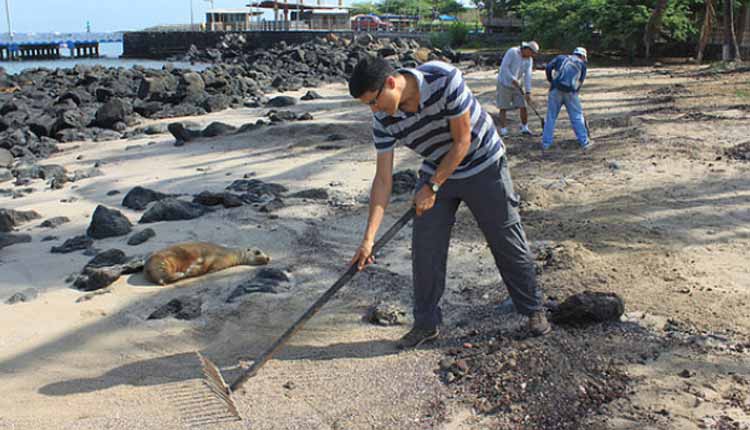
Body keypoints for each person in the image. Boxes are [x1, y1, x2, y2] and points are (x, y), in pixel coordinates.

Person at [347, 56, 550, 350]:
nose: (374, 109)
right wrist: (368, 240)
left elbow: (462, 141)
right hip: (437, 166)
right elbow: (382, 180)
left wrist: (431, 186)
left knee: (505, 237)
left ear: (391, 83)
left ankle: (532, 310)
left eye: (374, 102)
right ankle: (426, 324)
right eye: (369, 105)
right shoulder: (383, 118)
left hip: (483, 163)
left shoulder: (443, 79)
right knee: (425, 248)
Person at [541, 47, 592, 153]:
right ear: (582, 56)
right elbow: (580, 82)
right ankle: (584, 142)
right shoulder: (582, 65)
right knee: (577, 117)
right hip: (571, 93)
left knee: (551, 117)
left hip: (555, 90)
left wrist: (551, 81)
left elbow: (548, 67)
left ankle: (546, 143)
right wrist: (574, 91)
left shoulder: (561, 58)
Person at [496, 41, 539, 137]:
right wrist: (512, 79)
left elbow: (528, 75)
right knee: (503, 107)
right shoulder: (512, 52)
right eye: (532, 53)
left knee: (523, 105)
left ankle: (525, 128)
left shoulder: (529, 60)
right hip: (504, 82)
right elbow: (504, 68)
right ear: (527, 49)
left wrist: (528, 92)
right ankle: (503, 130)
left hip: (518, 84)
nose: (532, 55)